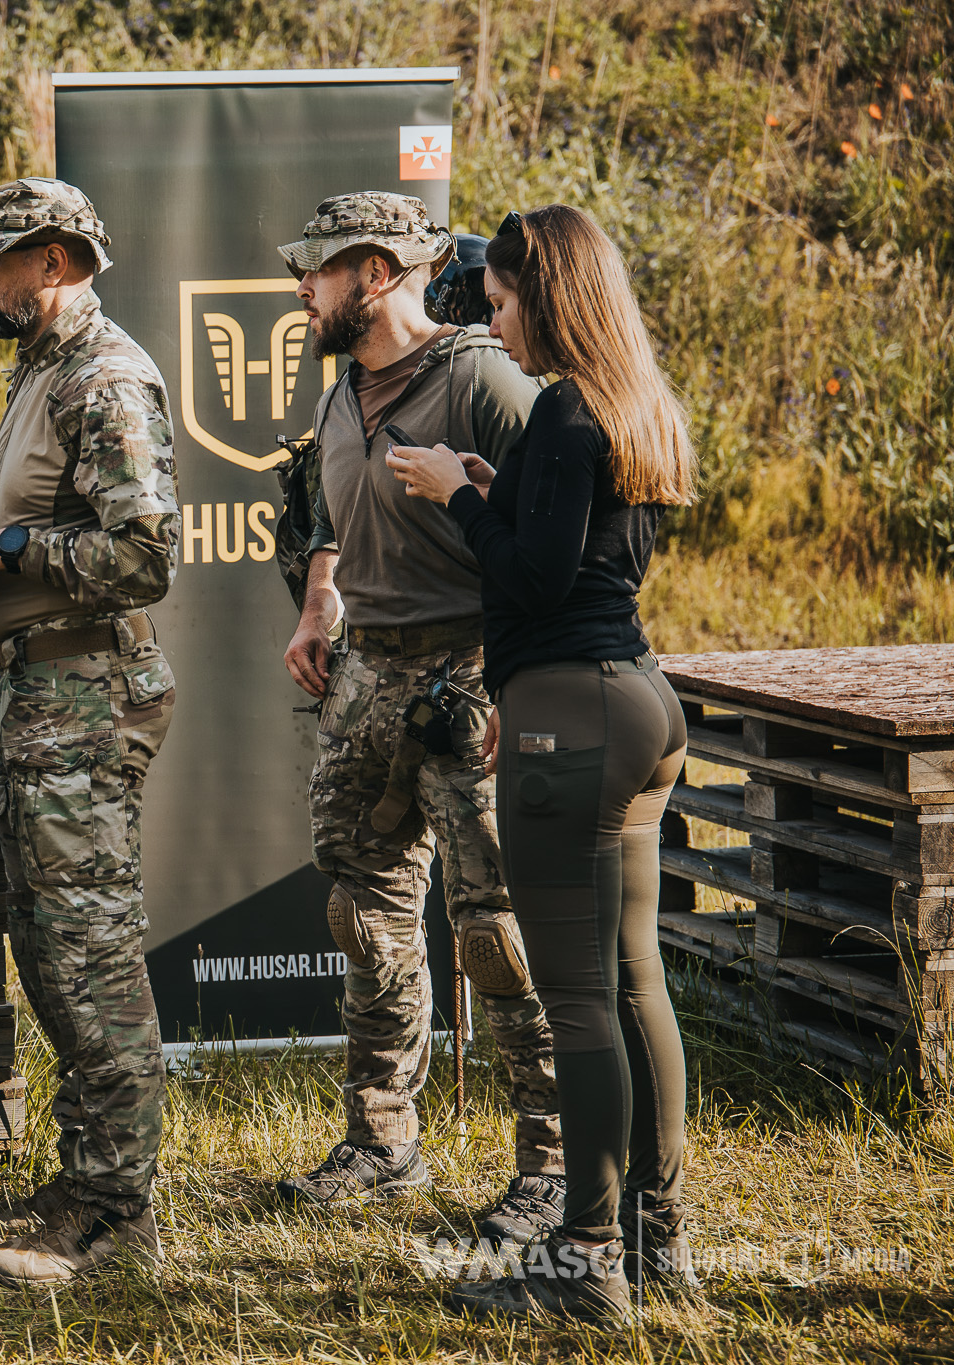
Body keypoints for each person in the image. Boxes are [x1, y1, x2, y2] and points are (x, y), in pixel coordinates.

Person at [387, 204, 698, 1321]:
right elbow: (578, 552)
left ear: (549, 299)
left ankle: (584, 1266)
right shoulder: (624, 407)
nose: (496, 324)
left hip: (572, 715)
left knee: (574, 1003)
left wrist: (458, 495)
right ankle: (659, 1243)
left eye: (506, 302)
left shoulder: (565, 413)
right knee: (632, 984)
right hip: (637, 706)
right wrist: (495, 483)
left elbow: (530, 580)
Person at [275, 193, 566, 1248]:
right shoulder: (343, 390)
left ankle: (551, 1164)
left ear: (379, 275)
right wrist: (319, 606)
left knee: (498, 933)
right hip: (364, 680)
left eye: (317, 270)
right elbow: (325, 512)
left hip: (472, 688)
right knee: (365, 915)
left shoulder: (481, 379)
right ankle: (381, 1136)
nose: (299, 288)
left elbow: (561, 533)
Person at [0, 178, 179, 1285]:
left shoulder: (103, 378)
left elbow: (145, 558)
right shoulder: (41, 371)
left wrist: (11, 555)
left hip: (85, 694)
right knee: (47, 948)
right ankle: (87, 1183)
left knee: (91, 960)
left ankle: (121, 1217)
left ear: (57, 263)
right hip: (40, 690)